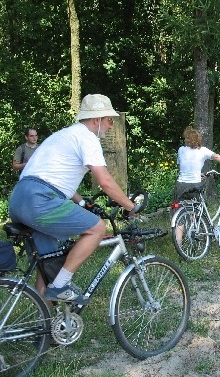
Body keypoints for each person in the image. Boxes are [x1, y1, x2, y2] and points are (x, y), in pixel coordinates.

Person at [9, 94, 139, 304]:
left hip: (20, 199)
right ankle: (62, 286)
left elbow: (54, 180)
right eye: (109, 120)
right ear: (96, 119)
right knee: (97, 228)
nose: (110, 126)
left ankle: (46, 325)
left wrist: (83, 203)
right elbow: (105, 181)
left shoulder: (63, 135)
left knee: (49, 265)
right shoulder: (88, 137)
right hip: (40, 201)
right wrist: (131, 206)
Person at [173, 126, 220, 204]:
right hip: (195, 184)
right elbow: (217, 157)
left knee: (178, 208)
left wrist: (197, 173)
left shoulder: (181, 150)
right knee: (199, 210)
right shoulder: (202, 150)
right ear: (198, 139)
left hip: (181, 185)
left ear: (187, 140)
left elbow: (181, 167)